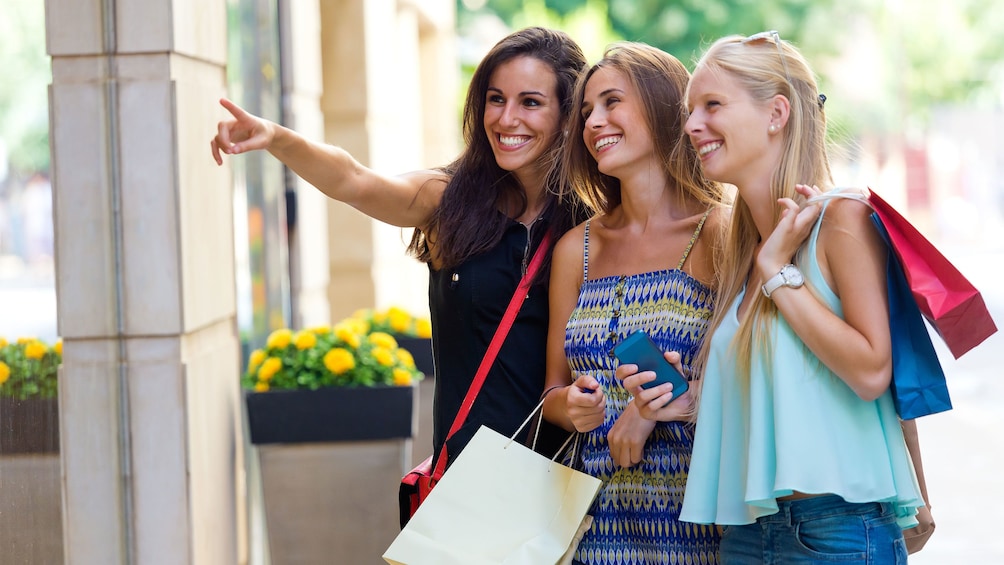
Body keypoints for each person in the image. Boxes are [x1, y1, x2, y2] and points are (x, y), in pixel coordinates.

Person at [211, 27, 591, 467]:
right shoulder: (450, 199)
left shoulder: (589, 226)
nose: (506, 119)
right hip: (464, 478)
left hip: (562, 479)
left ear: (567, 117)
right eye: (495, 98)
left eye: (530, 102)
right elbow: (355, 180)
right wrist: (277, 138)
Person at [623, 31, 924, 564]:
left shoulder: (842, 221)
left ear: (776, 113)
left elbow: (875, 370)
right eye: (691, 110)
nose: (692, 125)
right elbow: (796, 388)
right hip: (748, 534)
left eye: (712, 105)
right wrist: (684, 398)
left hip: (837, 531)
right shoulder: (744, 248)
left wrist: (778, 273)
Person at [540, 42, 726, 565]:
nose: (594, 122)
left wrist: (653, 411)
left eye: (611, 102)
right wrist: (572, 407)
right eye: (586, 112)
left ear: (663, 105)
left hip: (697, 521)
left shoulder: (718, 230)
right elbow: (551, 393)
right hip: (593, 526)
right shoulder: (576, 248)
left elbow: (750, 375)